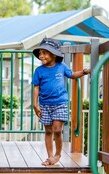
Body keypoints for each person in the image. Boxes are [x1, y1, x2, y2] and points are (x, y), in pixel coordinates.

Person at [32, 38, 90, 166]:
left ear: (53, 54)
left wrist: (84, 72)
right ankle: (50, 157)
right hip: (45, 105)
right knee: (48, 131)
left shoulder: (61, 67)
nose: (41, 56)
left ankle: (58, 155)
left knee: (57, 130)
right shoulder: (39, 71)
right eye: (40, 53)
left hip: (60, 103)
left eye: (44, 53)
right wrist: (35, 105)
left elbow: (72, 74)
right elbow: (36, 88)